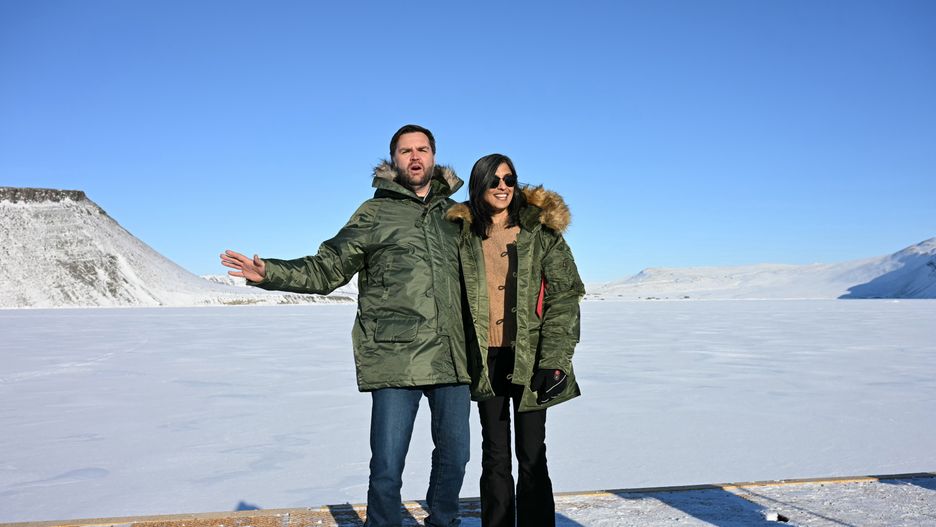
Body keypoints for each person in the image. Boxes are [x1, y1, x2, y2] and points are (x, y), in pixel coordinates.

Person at [221, 124, 470, 527]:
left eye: (422, 149)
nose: (415, 157)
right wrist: (269, 273)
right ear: (394, 160)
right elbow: (328, 267)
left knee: (455, 456)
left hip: (453, 354)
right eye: (405, 150)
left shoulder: (458, 214)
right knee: (388, 463)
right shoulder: (374, 213)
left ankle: (444, 521)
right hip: (394, 354)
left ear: (434, 156)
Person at [446, 153, 585, 527]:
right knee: (494, 454)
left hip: (530, 357)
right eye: (494, 181)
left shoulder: (540, 233)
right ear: (480, 185)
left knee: (531, 452)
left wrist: (554, 360)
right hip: (484, 358)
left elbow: (564, 295)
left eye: (509, 179)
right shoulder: (460, 234)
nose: (503, 187)